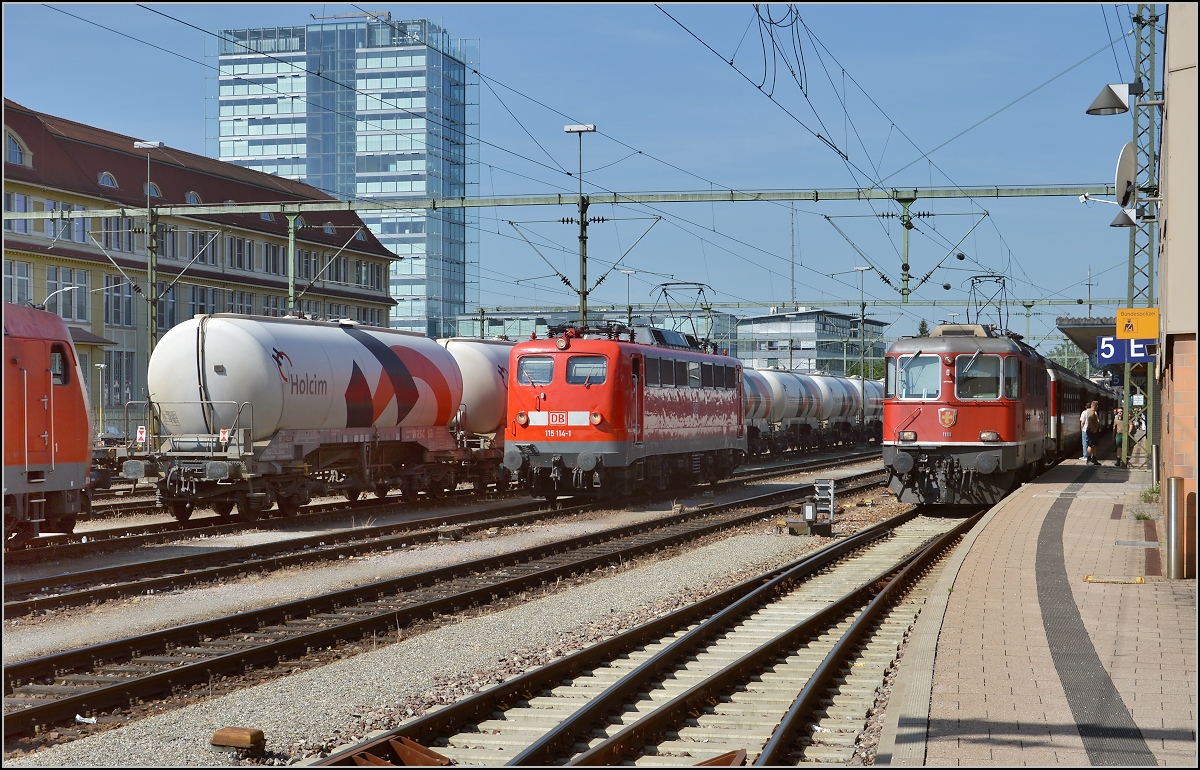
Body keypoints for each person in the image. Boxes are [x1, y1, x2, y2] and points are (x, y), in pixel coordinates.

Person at [1081, 400, 1101, 466]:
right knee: (1090, 445)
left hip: (1091, 431)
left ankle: (1094, 458)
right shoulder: (1091, 413)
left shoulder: (1093, 412)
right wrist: (1094, 429)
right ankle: (1089, 459)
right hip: (1091, 431)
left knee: (1093, 445)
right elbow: (1089, 422)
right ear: (1096, 406)